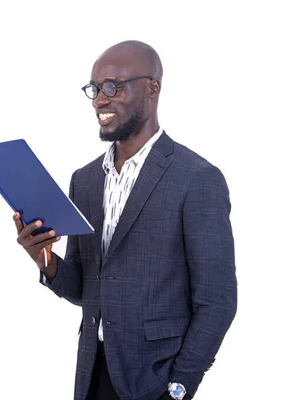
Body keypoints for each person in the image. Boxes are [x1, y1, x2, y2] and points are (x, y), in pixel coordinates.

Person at [13, 40, 237, 400]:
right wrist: (45, 260)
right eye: (95, 89)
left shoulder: (196, 178)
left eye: (113, 86)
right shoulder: (84, 180)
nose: (100, 99)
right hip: (92, 374)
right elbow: (86, 290)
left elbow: (218, 300)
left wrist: (180, 385)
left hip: (156, 378)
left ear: (152, 88)